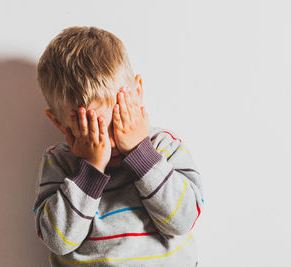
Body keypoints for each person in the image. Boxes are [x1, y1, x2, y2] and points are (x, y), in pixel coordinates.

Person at [33, 26, 204, 266]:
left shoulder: (164, 147)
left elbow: (183, 220)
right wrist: (91, 168)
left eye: (117, 121)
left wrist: (141, 154)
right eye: (90, 129)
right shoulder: (60, 162)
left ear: (138, 91)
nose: (109, 141)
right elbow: (58, 240)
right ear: (58, 122)